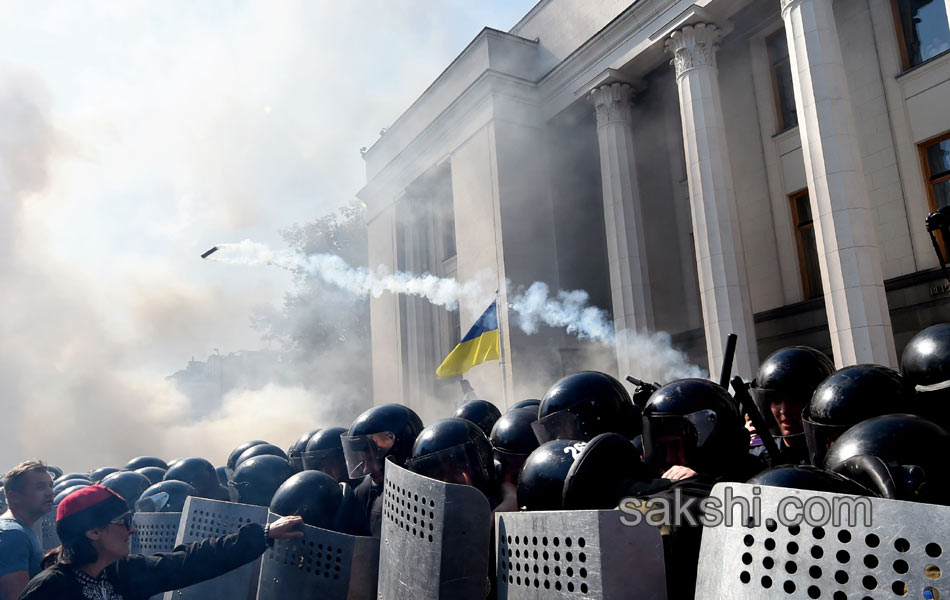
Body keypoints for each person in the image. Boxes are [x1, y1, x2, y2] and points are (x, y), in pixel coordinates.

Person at [19, 485, 303, 600]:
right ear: (93, 533)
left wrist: (263, 534)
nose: (132, 531)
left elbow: (190, 561)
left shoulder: (122, 572)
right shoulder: (50, 589)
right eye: (124, 522)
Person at [0, 461, 53, 600]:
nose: (50, 492)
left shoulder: (18, 530)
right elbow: (16, 597)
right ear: (14, 497)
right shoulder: (13, 535)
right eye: (40, 487)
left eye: (50, 485)